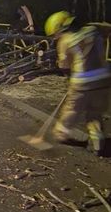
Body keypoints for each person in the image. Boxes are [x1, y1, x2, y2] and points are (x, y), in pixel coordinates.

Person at [44, 11, 111, 156]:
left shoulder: (65, 40)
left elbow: (64, 65)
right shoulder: (93, 30)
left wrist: (69, 77)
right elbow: (107, 28)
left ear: (59, 28)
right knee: (95, 112)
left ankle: (61, 134)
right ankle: (97, 139)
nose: (55, 37)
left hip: (82, 82)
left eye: (55, 34)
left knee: (72, 109)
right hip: (104, 80)